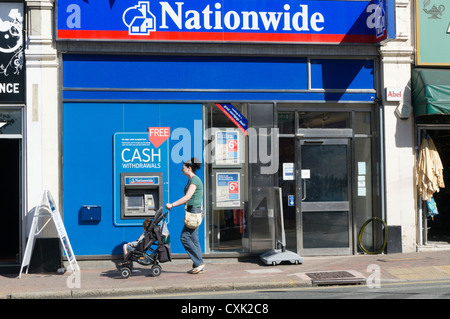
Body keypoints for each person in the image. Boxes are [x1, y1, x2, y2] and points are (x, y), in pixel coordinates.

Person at [166, 157, 205, 274]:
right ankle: (198, 265)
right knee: (194, 239)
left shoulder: (195, 180)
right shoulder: (191, 180)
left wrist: (172, 205)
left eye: (183, 168)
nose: (181, 169)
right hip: (192, 211)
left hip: (194, 212)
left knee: (184, 238)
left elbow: (187, 197)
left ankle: (199, 263)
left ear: (189, 168)